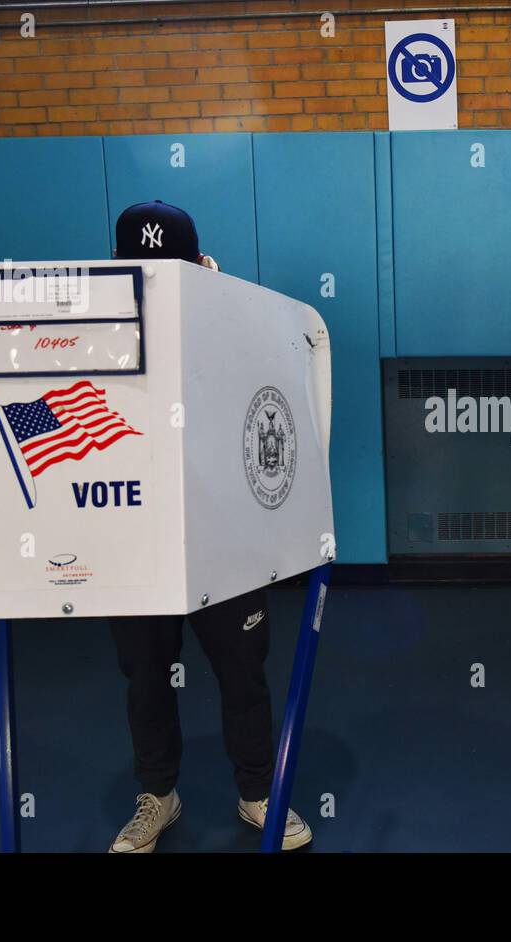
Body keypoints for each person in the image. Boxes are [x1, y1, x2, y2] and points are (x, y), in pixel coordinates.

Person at [106, 200, 311, 853]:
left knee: (242, 671)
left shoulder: (243, 319)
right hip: (139, 534)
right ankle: (158, 797)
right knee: (145, 674)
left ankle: (256, 793)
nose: (158, 284)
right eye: (143, 271)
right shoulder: (101, 324)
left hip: (224, 535)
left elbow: (278, 420)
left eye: (171, 270)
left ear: (198, 265)